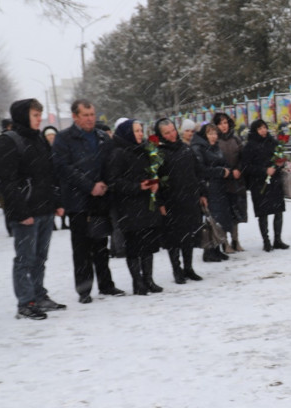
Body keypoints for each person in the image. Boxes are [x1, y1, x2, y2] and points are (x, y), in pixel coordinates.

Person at [0, 99, 65, 319]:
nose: (39, 118)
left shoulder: (40, 138)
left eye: (40, 114)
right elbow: (7, 182)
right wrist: (22, 213)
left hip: (45, 209)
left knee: (40, 257)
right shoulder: (9, 141)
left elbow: (50, 175)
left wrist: (57, 202)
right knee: (25, 259)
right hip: (25, 213)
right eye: (34, 114)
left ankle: (39, 295)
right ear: (23, 116)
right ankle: (25, 302)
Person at [53, 99, 124, 303]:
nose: (90, 118)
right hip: (78, 202)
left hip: (100, 199)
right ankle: (84, 289)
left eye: (92, 114)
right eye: (85, 115)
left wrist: (105, 184)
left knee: (101, 244)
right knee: (82, 248)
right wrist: (89, 185)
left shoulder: (102, 137)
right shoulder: (64, 138)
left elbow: (112, 163)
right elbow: (64, 168)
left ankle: (106, 284)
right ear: (75, 116)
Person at [104, 120, 163, 295]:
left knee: (148, 244)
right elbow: (114, 181)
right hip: (129, 206)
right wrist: (137, 186)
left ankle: (149, 279)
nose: (140, 133)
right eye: (136, 130)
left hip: (146, 203)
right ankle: (137, 282)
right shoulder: (118, 153)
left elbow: (152, 172)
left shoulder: (144, 149)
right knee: (135, 246)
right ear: (127, 133)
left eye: (140, 130)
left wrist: (154, 183)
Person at [154, 119, 206, 284]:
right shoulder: (158, 153)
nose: (171, 134)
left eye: (172, 130)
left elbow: (198, 172)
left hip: (189, 198)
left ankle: (188, 268)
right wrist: (160, 202)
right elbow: (156, 180)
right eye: (167, 132)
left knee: (189, 235)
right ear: (161, 135)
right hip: (171, 201)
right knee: (174, 237)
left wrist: (202, 193)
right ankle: (177, 269)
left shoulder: (185, 148)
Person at [241, 119, 288, 252]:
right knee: (263, 213)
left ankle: (277, 239)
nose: (263, 131)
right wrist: (264, 171)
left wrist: (279, 164)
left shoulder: (273, 142)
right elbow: (246, 166)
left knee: (278, 211)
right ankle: (266, 241)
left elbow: (279, 157)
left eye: (264, 128)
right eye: (260, 128)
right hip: (259, 184)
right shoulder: (250, 146)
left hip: (274, 182)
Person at [190, 122, 232, 263]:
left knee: (219, 219)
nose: (213, 136)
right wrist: (220, 171)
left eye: (215, 133)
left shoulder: (215, 147)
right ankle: (209, 251)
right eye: (210, 133)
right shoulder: (198, 148)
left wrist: (226, 169)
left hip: (219, 186)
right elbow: (200, 170)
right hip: (208, 187)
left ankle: (217, 248)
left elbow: (221, 161)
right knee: (210, 219)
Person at [213, 112, 247, 252]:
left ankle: (235, 240)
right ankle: (224, 242)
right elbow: (213, 160)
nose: (224, 126)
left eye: (225, 123)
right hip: (222, 181)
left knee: (236, 212)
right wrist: (225, 170)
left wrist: (238, 169)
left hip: (236, 181)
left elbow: (242, 156)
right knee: (223, 213)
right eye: (220, 123)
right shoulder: (215, 141)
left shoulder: (235, 139)